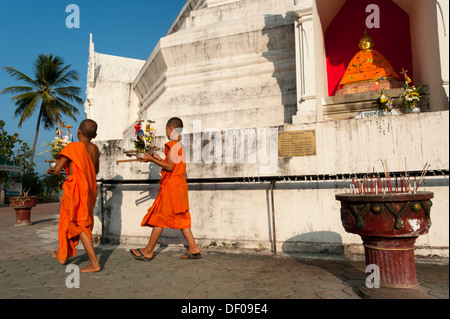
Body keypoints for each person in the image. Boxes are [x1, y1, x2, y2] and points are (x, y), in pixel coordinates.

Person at [130, 117, 201, 261]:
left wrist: (151, 160)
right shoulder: (180, 146)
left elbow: (169, 167)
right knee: (181, 217)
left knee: (159, 217)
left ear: (170, 129)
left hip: (171, 188)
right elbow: (170, 164)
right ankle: (193, 247)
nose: (166, 133)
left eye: (166, 130)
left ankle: (148, 251)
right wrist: (157, 158)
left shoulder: (172, 145)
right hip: (179, 186)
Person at [48, 119, 101, 273]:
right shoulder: (95, 149)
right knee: (66, 219)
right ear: (95, 135)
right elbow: (95, 170)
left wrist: (56, 166)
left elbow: (57, 169)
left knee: (80, 224)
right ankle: (63, 255)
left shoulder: (72, 147)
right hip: (89, 189)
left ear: (78, 131)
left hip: (76, 189)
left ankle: (94, 263)